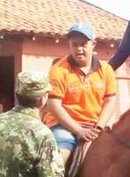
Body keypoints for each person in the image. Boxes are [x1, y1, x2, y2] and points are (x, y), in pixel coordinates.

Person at [44, 23, 118, 165]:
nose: (79, 49)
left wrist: (99, 127)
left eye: (83, 44)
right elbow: (54, 106)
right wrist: (78, 130)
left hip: (94, 126)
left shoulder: (106, 69)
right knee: (58, 162)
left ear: (93, 44)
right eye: (75, 44)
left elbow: (110, 101)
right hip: (63, 126)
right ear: (69, 45)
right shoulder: (59, 69)